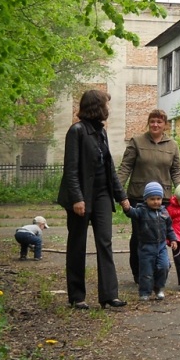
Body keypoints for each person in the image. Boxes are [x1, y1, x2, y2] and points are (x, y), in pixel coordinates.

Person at [57, 89, 131, 310]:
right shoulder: (77, 131)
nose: (109, 109)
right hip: (81, 196)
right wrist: (77, 199)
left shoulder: (101, 132)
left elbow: (109, 168)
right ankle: (77, 296)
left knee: (105, 243)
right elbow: (70, 170)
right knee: (78, 244)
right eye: (106, 104)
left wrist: (122, 197)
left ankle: (109, 295)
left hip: (101, 195)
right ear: (97, 106)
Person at [117, 109, 180, 284]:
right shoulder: (137, 141)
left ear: (165, 125)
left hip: (163, 198)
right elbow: (125, 167)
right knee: (140, 235)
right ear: (149, 123)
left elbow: (176, 171)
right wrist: (117, 190)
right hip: (139, 197)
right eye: (152, 121)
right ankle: (138, 272)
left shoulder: (172, 145)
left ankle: (156, 270)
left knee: (160, 234)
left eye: (159, 122)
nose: (155, 125)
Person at [123, 181, 177, 301]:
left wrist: (173, 239)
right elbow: (132, 213)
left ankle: (158, 287)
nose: (156, 202)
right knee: (146, 271)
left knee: (164, 266)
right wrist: (127, 208)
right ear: (146, 199)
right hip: (146, 247)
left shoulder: (164, 212)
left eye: (158, 198)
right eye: (152, 199)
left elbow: (169, 227)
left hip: (161, 246)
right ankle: (145, 291)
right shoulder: (141, 210)